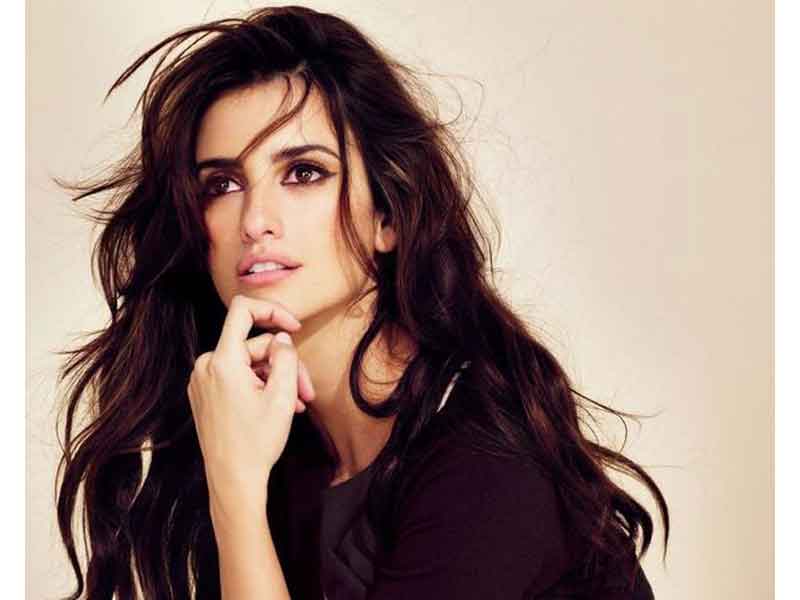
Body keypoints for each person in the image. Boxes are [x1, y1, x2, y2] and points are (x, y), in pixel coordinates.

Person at [53, 5, 669, 599]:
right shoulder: (282, 443)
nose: (255, 219)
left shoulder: (486, 457)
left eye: (303, 172)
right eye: (223, 184)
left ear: (387, 216)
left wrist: (235, 488)